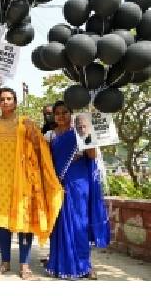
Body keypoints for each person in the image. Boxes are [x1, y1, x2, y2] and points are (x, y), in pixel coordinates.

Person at [0, 75, 63, 280]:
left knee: (24, 223)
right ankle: (5, 262)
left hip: (23, 180)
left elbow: (40, 150)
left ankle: (24, 265)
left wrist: (33, 135)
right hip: (1, 181)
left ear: (15, 102)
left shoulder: (25, 123)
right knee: (3, 223)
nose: (5, 102)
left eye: (8, 99)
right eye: (1, 99)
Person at [45, 101, 110, 280]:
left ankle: (85, 265)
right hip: (58, 184)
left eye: (65, 112)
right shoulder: (50, 136)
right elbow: (45, 162)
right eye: (57, 113)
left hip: (79, 183)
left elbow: (92, 155)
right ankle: (60, 264)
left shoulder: (79, 130)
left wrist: (87, 134)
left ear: (71, 114)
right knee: (59, 226)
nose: (61, 116)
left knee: (80, 224)